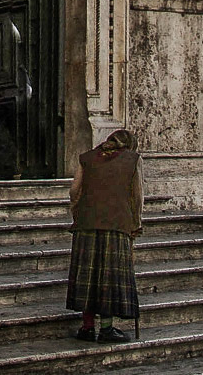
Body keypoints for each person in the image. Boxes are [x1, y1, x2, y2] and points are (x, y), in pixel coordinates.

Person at [66, 128, 143, 343]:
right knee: (108, 276)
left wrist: (78, 213)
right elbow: (136, 197)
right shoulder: (133, 160)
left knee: (88, 277)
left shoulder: (87, 158)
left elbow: (74, 191)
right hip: (117, 225)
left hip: (85, 225)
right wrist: (135, 224)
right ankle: (106, 329)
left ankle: (87, 327)